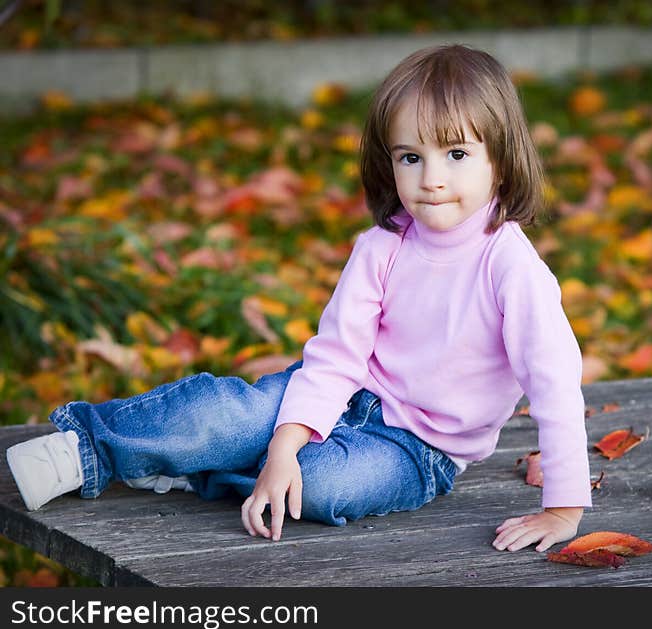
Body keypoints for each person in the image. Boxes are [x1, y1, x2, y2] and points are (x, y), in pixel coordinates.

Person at [6, 43, 592, 553]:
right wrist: (287, 437)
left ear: (501, 157)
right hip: (340, 390)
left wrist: (564, 507)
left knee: (322, 487)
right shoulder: (382, 247)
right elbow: (336, 358)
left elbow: (554, 384)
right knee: (233, 415)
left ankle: (191, 464)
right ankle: (87, 447)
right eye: (411, 157)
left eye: (456, 155)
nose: (431, 178)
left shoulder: (512, 269)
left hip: (420, 448)